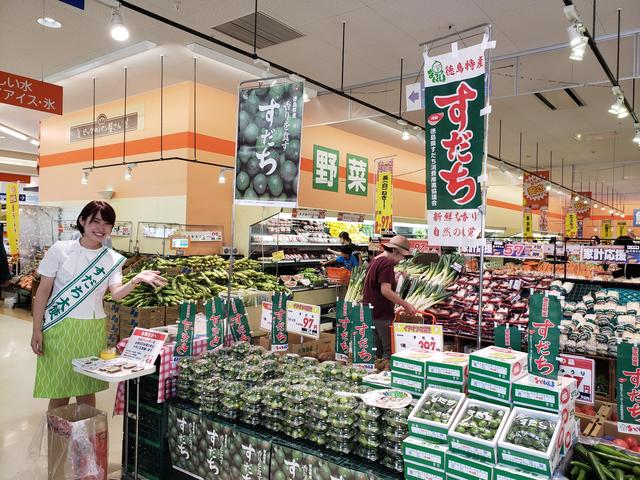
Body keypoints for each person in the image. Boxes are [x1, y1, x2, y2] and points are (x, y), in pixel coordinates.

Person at [30, 200, 167, 411]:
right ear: (82, 221)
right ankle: (58, 441)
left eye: (106, 223)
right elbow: (42, 293)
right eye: (95, 221)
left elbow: (117, 294)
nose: (100, 228)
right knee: (59, 391)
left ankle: (87, 442)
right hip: (59, 327)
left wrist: (135, 279)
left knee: (87, 389)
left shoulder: (111, 258)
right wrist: (36, 329)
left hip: (92, 329)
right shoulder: (60, 250)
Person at [362, 235, 417, 361]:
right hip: (381, 314)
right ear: (396, 251)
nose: (401, 260)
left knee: (377, 351)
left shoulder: (376, 260)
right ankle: (384, 375)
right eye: (402, 256)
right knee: (388, 350)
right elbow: (385, 290)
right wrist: (406, 305)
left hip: (370, 313)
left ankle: (376, 375)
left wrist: (395, 278)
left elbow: (376, 284)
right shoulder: (387, 263)